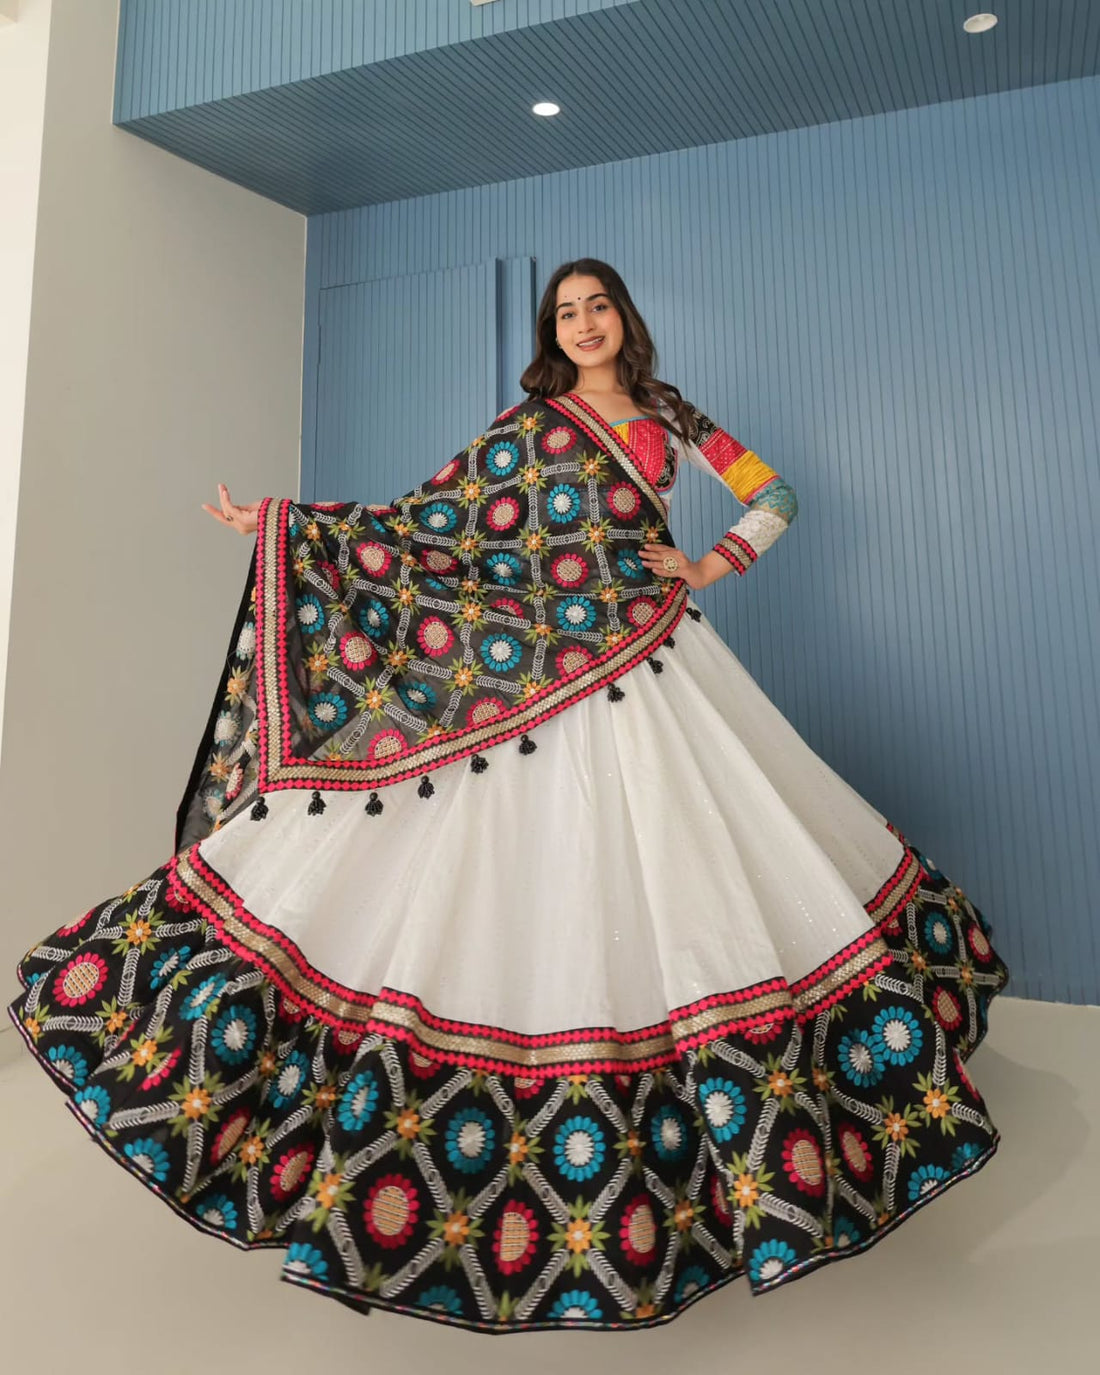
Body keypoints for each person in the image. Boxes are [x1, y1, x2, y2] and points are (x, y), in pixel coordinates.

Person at [9, 259, 1007, 1332]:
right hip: (538, 663)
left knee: (698, 862)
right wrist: (286, 524)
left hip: (654, 651)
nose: (583, 324)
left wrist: (709, 564)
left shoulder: (677, 419)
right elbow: (427, 523)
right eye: (565, 312)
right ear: (552, 331)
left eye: (597, 306)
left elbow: (780, 497)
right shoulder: (529, 427)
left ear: (624, 318)